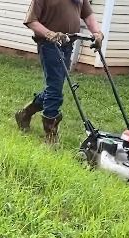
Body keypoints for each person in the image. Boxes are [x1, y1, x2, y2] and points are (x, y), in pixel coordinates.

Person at [16, 0, 104, 144]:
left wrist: (97, 33)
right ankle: (50, 134)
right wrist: (49, 33)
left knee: (54, 87)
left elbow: (88, 15)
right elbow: (31, 21)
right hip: (49, 45)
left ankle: (25, 113)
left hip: (67, 44)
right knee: (55, 89)